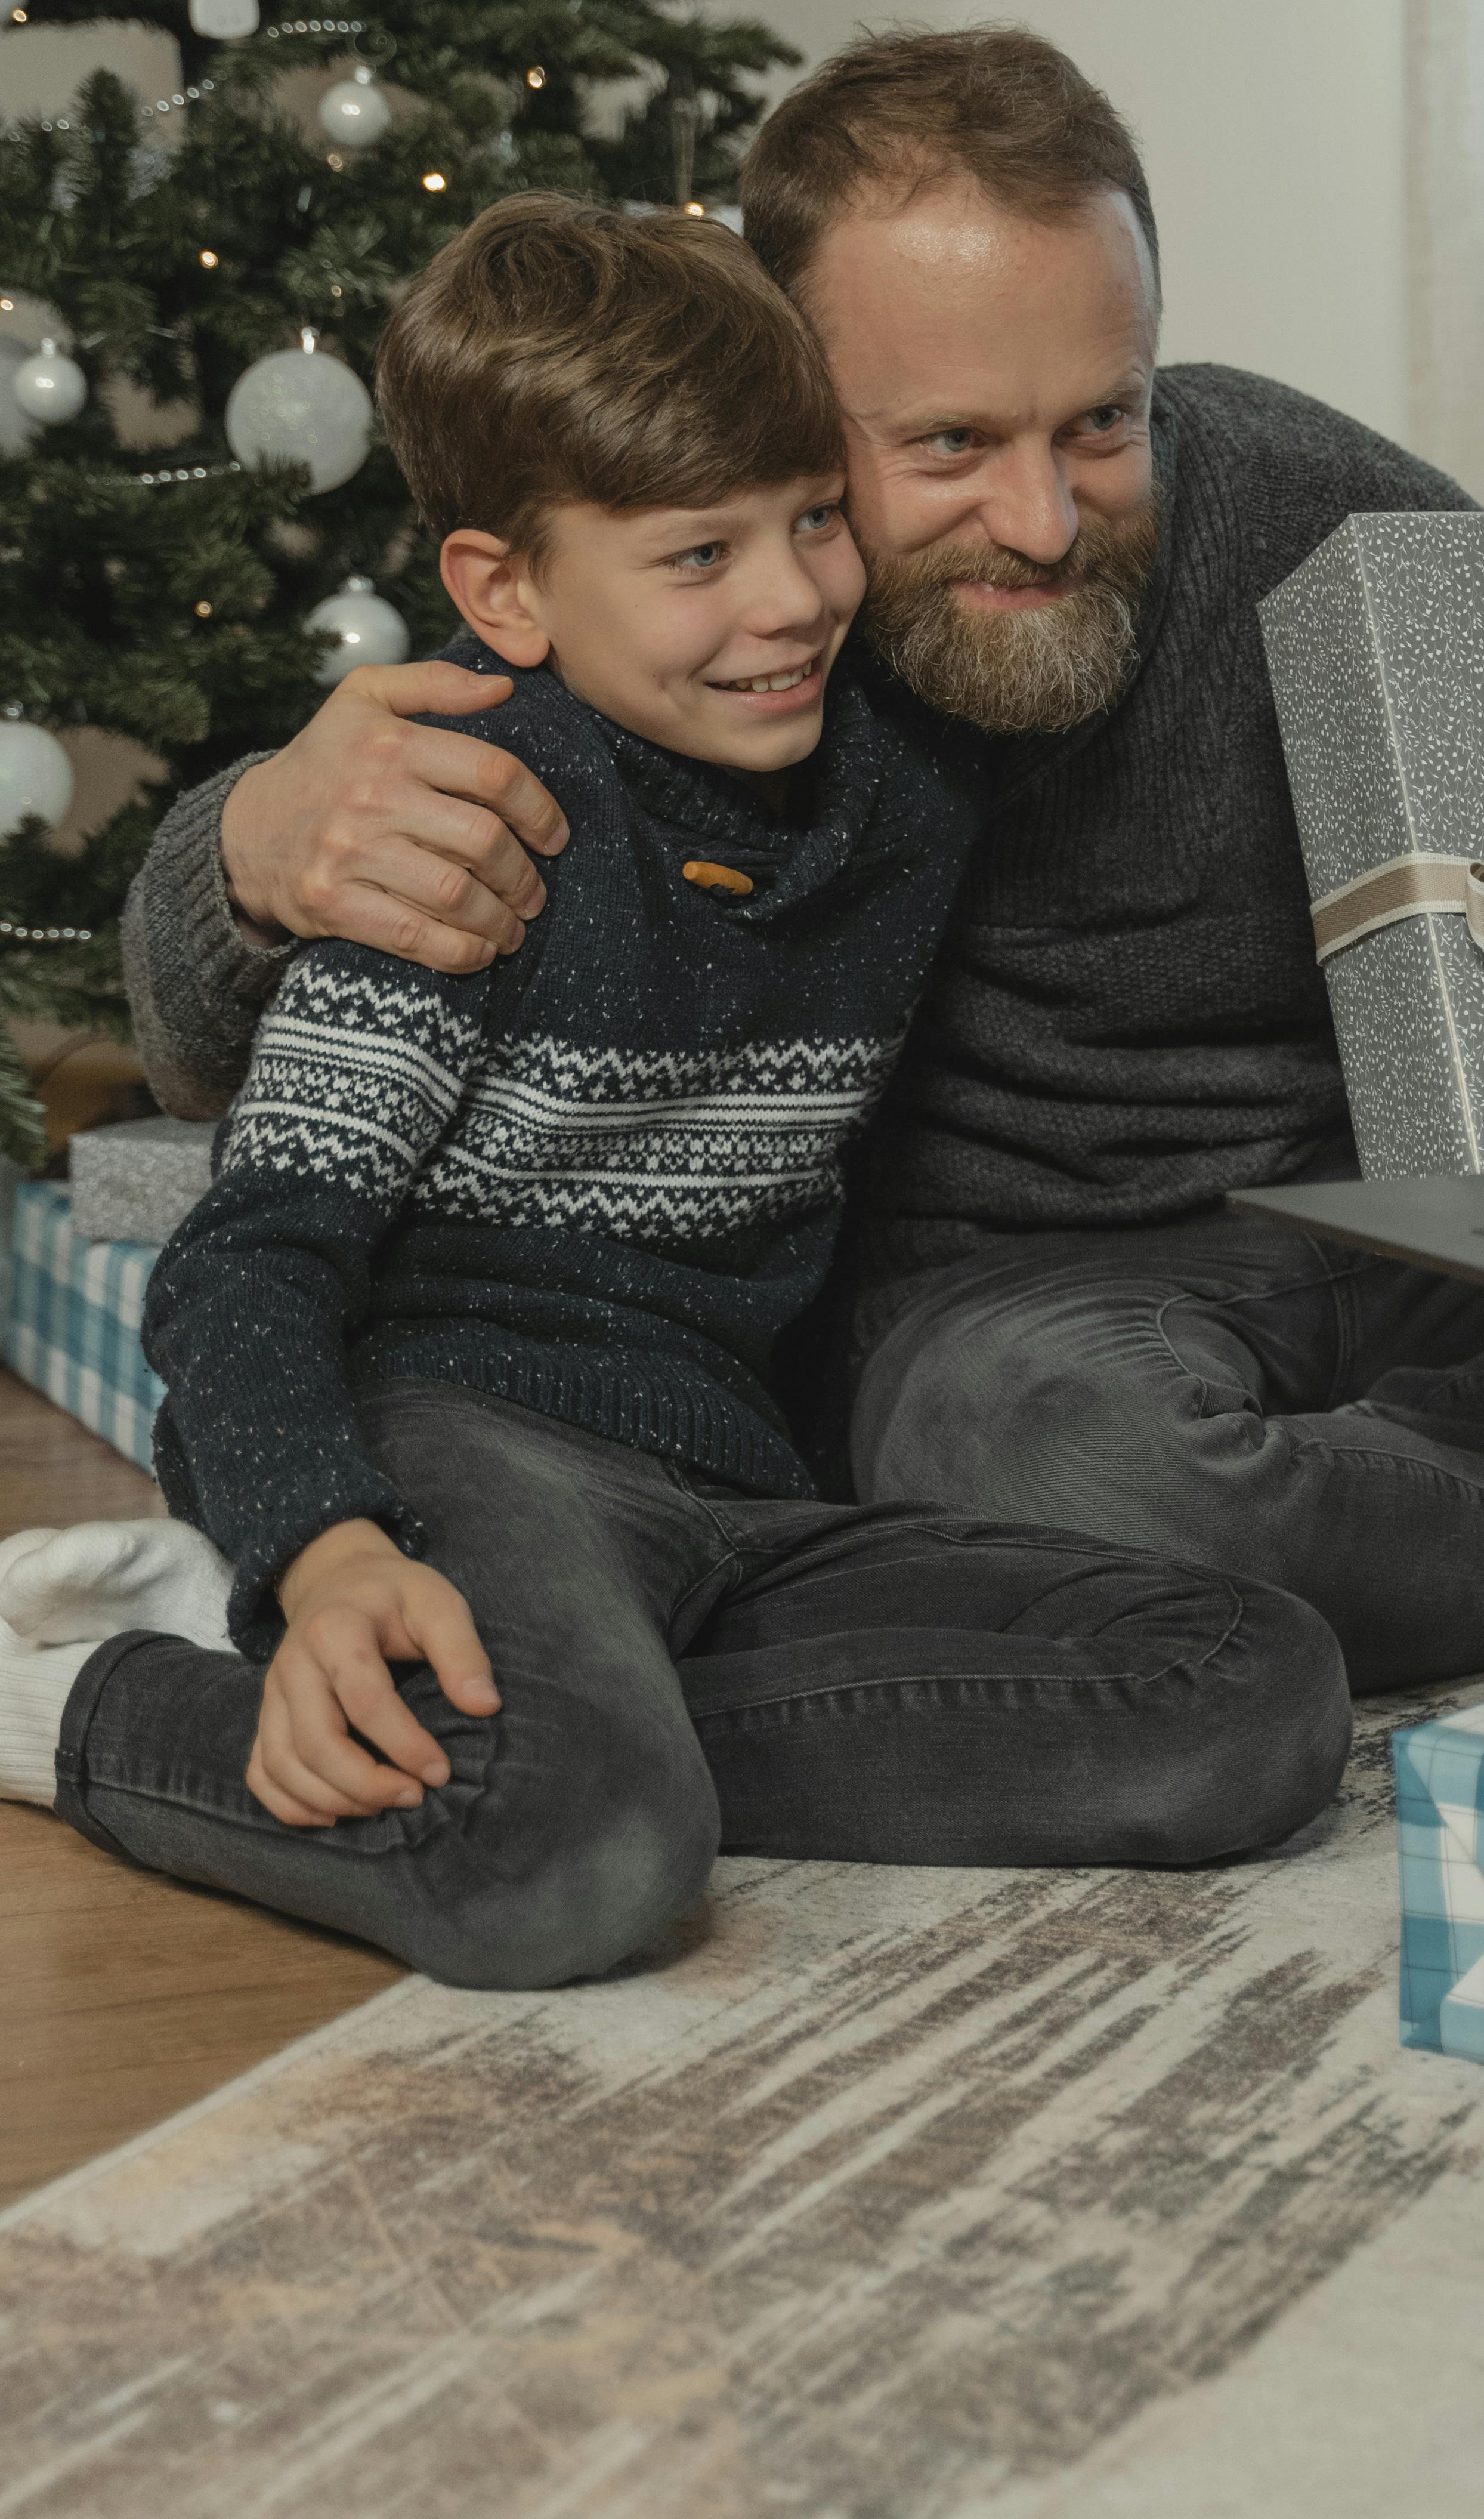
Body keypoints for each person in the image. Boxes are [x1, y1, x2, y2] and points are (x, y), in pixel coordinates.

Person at [121, 28, 1484, 1692]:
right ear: (781, 400)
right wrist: (248, 843)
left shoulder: (1315, 508)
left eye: (1103, 419)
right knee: (1052, 1458)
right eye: (949, 445)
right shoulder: (726, 637)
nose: (1040, 519)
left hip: (1376, 1229)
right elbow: (196, 1054)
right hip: (1018, 1318)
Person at [0, 199, 1349, 1986]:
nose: (788, 601)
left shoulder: (899, 766)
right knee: (567, 1866)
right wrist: (325, 1549)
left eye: (810, 523)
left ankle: (575, 1728)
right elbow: (248, 1262)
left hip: (739, 1483)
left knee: (1246, 1695)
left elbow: (1069, 586)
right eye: (697, 558)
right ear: (500, 593)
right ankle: (103, 1695)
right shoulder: (464, 827)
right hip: (467, 1442)